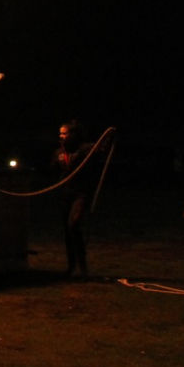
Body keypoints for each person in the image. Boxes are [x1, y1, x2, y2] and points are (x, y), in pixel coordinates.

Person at [52, 119, 112, 278]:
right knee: (67, 231)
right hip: (64, 195)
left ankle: (82, 266)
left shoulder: (85, 149)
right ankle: (71, 267)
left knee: (74, 224)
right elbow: (51, 171)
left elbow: (102, 149)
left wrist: (109, 136)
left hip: (80, 194)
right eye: (60, 133)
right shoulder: (59, 153)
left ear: (72, 134)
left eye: (64, 133)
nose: (61, 136)